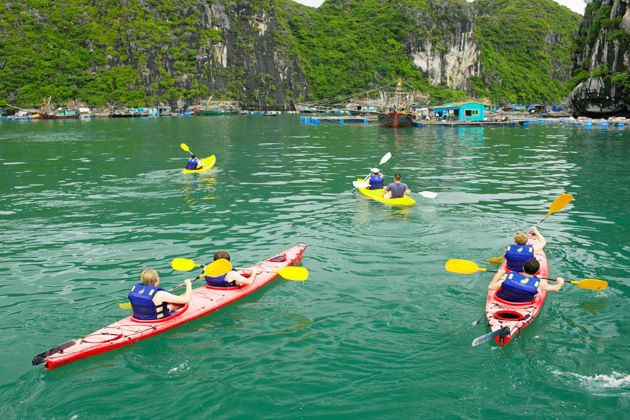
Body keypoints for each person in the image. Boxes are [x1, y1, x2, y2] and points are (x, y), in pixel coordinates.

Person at [488, 258, 564, 303]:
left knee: (504, 282)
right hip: (524, 303)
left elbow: (491, 287)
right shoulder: (539, 283)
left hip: (503, 300)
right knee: (539, 288)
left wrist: (499, 275)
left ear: (523, 268)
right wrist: (560, 282)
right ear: (537, 270)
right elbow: (556, 288)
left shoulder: (509, 276)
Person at [128, 269, 192, 320]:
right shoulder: (160, 294)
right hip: (157, 320)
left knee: (170, 306)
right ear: (156, 281)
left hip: (139, 318)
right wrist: (188, 284)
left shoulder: (135, 290)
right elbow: (186, 300)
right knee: (176, 306)